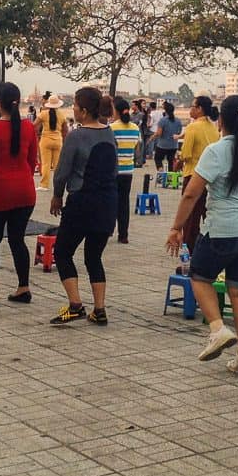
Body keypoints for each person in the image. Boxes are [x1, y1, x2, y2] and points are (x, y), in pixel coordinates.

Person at [166, 96, 238, 376]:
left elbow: (191, 193)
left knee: (199, 276)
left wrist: (176, 227)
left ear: (222, 120)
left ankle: (218, 329)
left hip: (222, 229)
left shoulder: (217, 151)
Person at [49, 87, 117, 326]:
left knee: (63, 252)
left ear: (85, 111)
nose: (73, 110)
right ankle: (99, 309)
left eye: (75, 106)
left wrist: (57, 196)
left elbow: (62, 173)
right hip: (107, 204)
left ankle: (76, 304)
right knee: (93, 256)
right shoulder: (109, 133)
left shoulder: (77, 136)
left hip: (81, 203)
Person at [0, 82, 38, 304]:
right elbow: (32, 162)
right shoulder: (29, 127)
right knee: (17, 239)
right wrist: (22, 178)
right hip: (25, 191)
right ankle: (23, 287)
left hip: (0, 190)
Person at [176, 96, 220, 248]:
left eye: (193, 106)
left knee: (190, 217)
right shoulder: (213, 128)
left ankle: (189, 249)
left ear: (199, 109)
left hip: (193, 174)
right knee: (207, 214)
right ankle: (211, 245)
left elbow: (186, 153)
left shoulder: (193, 127)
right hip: (210, 177)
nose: (190, 109)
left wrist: (178, 160)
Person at [110, 98, 141, 244]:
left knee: (110, 201)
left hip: (113, 171)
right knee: (124, 203)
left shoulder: (111, 128)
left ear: (115, 111)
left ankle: (108, 229)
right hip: (128, 171)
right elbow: (136, 147)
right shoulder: (135, 128)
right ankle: (123, 235)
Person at [36, 92, 68, 191]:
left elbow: (34, 125)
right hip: (58, 140)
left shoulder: (43, 114)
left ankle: (44, 185)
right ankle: (58, 185)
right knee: (57, 164)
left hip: (45, 140)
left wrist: (38, 134)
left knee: (46, 163)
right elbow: (65, 129)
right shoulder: (62, 115)